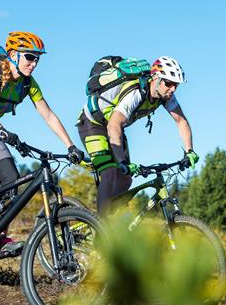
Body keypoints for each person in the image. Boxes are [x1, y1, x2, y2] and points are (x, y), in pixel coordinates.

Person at [0, 31, 84, 258]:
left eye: (37, 58)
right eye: (30, 57)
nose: (34, 63)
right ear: (14, 55)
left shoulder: (28, 83)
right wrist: (2, 130)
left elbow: (48, 115)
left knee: (11, 180)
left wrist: (70, 146)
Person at [76, 55, 199, 214]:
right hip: (93, 124)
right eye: (169, 83)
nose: (173, 89)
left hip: (115, 129)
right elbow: (114, 124)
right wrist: (121, 161)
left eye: (176, 85)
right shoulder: (136, 92)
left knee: (125, 179)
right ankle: (102, 228)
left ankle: (112, 217)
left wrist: (190, 151)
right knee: (110, 172)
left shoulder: (165, 96)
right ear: (156, 78)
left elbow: (181, 121)